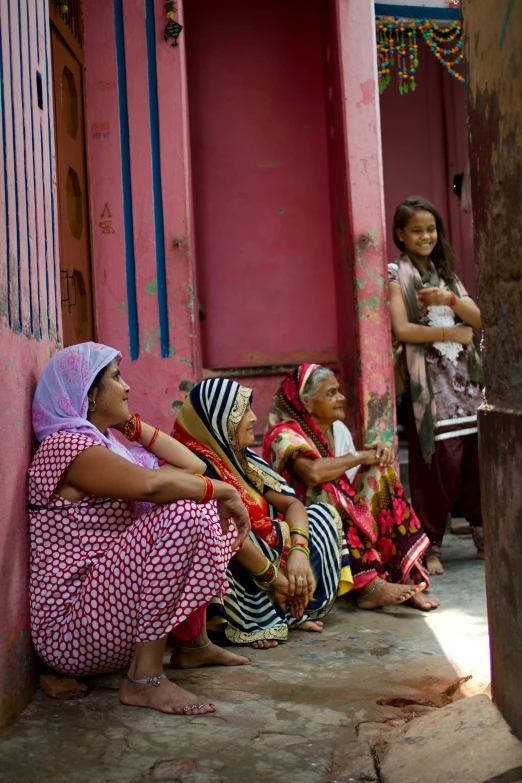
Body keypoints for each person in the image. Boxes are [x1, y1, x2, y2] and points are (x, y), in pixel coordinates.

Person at [29, 342, 252, 716]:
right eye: (116, 378)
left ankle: (193, 644)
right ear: (90, 394)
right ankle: (143, 680)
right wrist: (224, 489)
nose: (127, 386)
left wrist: (128, 424)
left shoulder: (107, 446)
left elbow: (192, 467)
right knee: (187, 513)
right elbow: (153, 486)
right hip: (69, 630)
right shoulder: (65, 447)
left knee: (202, 511)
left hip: (103, 616)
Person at [172, 379, 352, 648]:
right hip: (239, 562)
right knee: (218, 540)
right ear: (219, 419)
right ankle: (255, 620)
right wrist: (275, 578)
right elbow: (230, 535)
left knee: (322, 516)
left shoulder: (243, 458)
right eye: (242, 411)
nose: (254, 418)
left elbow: (292, 505)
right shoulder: (192, 467)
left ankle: (290, 611)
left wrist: (299, 554)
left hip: (271, 550)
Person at [264, 364, 440, 611]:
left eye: (338, 391)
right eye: (331, 393)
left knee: (380, 472)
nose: (341, 398)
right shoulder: (284, 434)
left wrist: (376, 457)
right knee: (325, 487)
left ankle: (398, 574)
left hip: (340, 516)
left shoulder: (337, 430)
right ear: (307, 403)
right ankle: (369, 587)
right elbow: (312, 473)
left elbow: (348, 480)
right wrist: (359, 457)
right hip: (303, 525)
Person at [388, 196, 484, 574]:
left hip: (465, 383)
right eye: (417, 230)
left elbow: (477, 319)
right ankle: (431, 546)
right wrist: (451, 332)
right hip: (429, 385)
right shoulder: (398, 274)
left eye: (431, 229)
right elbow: (402, 329)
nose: (426, 236)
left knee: (475, 460)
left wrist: (450, 300)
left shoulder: (447, 272)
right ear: (401, 234)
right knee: (439, 465)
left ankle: (483, 536)